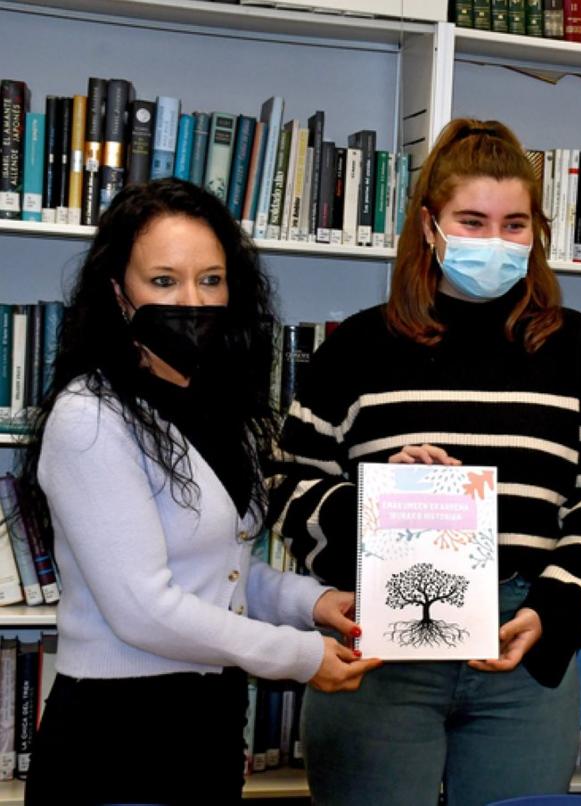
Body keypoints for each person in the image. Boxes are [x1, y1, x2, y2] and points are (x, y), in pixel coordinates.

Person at [266, 118, 581, 805]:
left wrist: (556, 606)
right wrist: (377, 502)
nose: (494, 241)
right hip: (381, 644)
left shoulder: (577, 347)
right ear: (431, 225)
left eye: (515, 224)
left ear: (537, 233)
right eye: (472, 220)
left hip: (522, 640)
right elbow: (289, 483)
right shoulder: (359, 346)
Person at [18, 178, 379, 804]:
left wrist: (317, 603)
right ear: (117, 292)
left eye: (210, 280)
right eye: (164, 281)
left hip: (209, 729)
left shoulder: (219, 410)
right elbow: (144, 608)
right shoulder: (91, 417)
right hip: (116, 742)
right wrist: (300, 656)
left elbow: (223, 573)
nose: (192, 300)